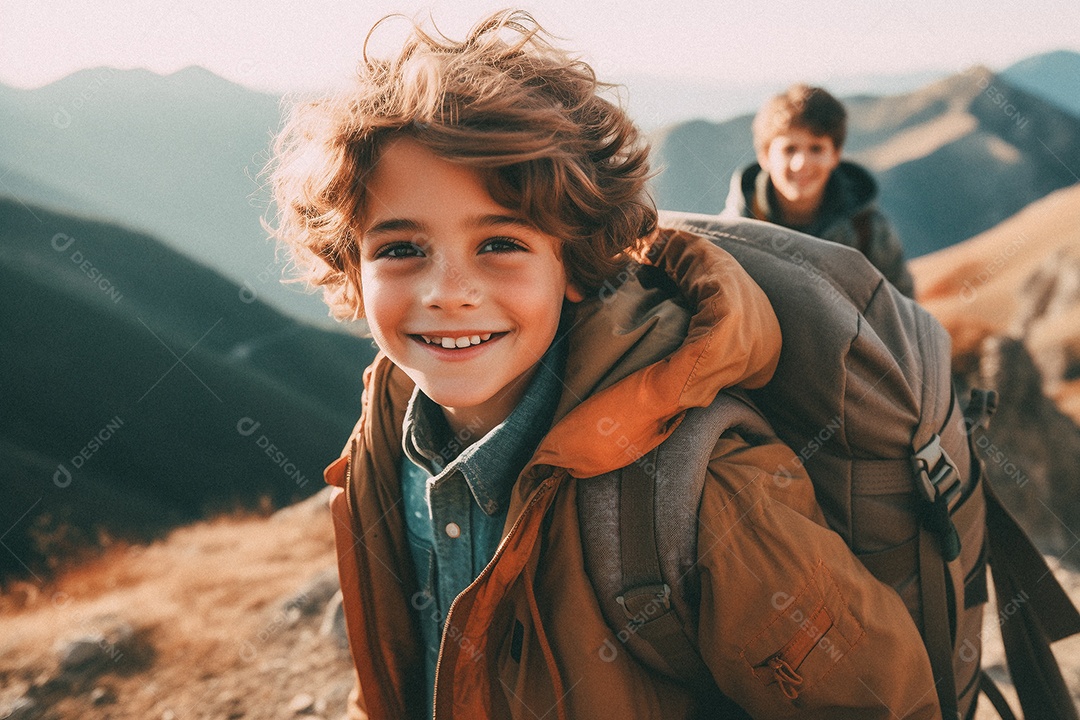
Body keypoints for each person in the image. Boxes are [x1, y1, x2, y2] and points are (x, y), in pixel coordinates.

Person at [268, 11, 938, 719]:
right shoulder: (384, 433)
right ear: (351, 267)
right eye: (400, 248)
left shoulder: (697, 494)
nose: (448, 293)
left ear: (576, 263)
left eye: (499, 243)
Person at [721, 84, 916, 297]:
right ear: (765, 156)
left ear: (835, 155)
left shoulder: (869, 232)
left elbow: (902, 315)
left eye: (816, 148)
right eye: (789, 149)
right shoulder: (730, 234)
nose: (801, 163)